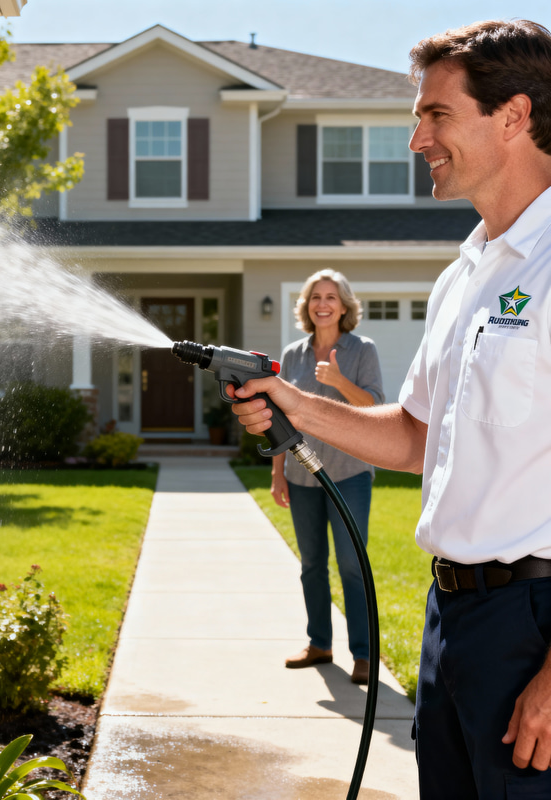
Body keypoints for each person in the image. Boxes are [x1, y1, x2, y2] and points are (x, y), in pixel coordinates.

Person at [228, 19, 551, 799]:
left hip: (537, 623)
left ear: (512, 116)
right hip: (453, 623)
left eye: (436, 115)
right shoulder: (464, 275)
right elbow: (415, 438)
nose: (417, 140)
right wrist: (295, 403)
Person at [273, 269, 383, 686]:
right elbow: (279, 419)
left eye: (331, 297)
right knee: (311, 565)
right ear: (306, 305)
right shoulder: (294, 353)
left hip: (349, 474)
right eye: (315, 297)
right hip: (303, 479)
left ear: (345, 305)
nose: (323, 303)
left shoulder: (361, 350)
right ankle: (319, 643)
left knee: (353, 566)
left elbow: (374, 405)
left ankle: (365, 654)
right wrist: (279, 473)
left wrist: (338, 381)